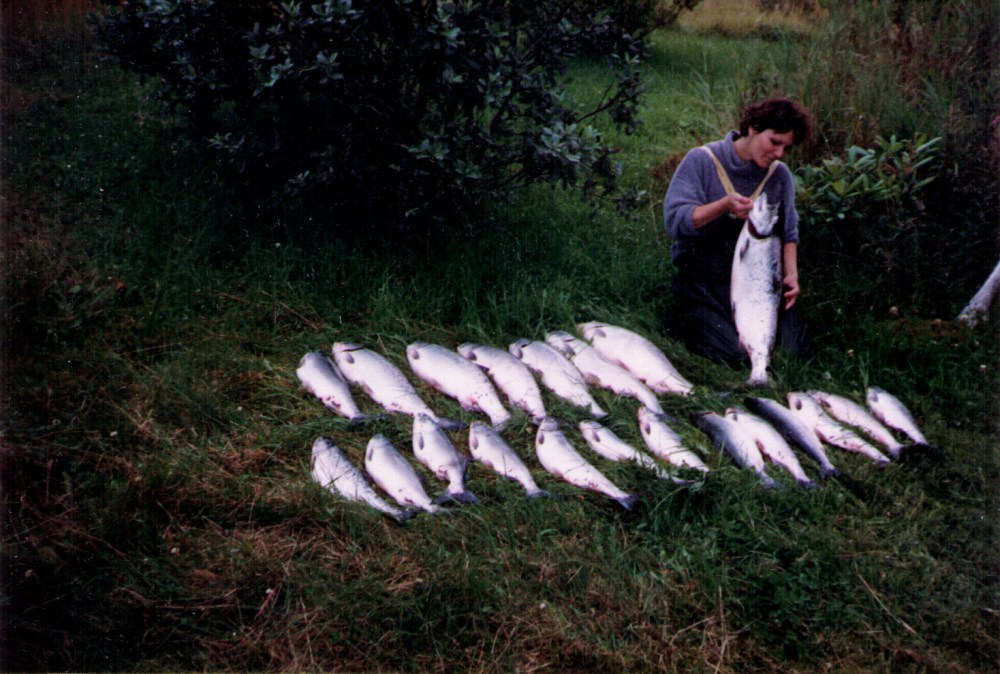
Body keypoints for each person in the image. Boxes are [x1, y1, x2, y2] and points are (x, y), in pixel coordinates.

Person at [662, 97, 812, 366]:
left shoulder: (780, 176)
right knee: (731, 354)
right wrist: (722, 206)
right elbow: (676, 220)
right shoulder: (702, 160)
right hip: (704, 277)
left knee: (788, 352)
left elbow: (789, 234)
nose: (778, 154)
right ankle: (687, 317)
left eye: (786, 148)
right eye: (774, 142)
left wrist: (791, 277)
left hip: (758, 278)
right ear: (753, 129)